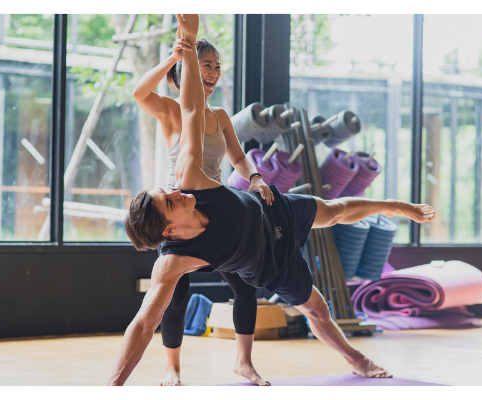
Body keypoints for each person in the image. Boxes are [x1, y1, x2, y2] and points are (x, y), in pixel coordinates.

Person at [109, 14, 436, 386]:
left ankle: (396, 206)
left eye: (217, 66)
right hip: (265, 258)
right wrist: (113, 387)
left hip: (267, 210)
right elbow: (142, 324)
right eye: (169, 199)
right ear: (168, 226)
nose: (174, 191)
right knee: (315, 307)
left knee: (333, 211)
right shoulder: (171, 261)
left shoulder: (191, 179)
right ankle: (354, 358)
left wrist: (256, 177)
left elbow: (197, 114)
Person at [132, 22, 273, 387]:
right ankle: (172, 368)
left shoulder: (221, 116)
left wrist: (255, 177)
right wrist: (174, 56)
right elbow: (138, 92)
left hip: (213, 210)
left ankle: (244, 362)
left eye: (216, 66)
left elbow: (240, 160)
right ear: (187, 73)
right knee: (177, 294)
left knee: (244, 287)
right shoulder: (169, 110)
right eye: (205, 65)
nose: (212, 72)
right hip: (176, 212)